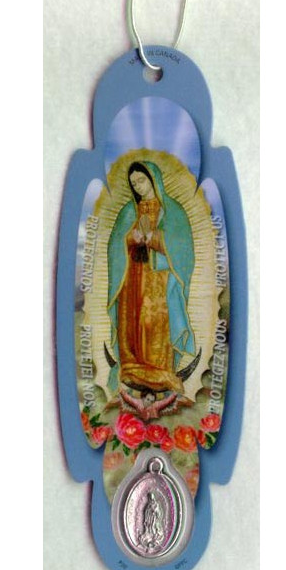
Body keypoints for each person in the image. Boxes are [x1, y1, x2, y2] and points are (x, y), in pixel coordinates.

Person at [106, 161, 196, 396]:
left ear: (153, 179)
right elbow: (114, 246)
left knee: (153, 321)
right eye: (133, 183)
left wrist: (155, 238)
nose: (138, 186)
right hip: (131, 278)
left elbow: (184, 249)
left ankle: (160, 371)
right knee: (132, 321)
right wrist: (130, 238)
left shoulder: (172, 211)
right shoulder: (128, 212)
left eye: (141, 180)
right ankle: (131, 368)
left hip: (158, 280)